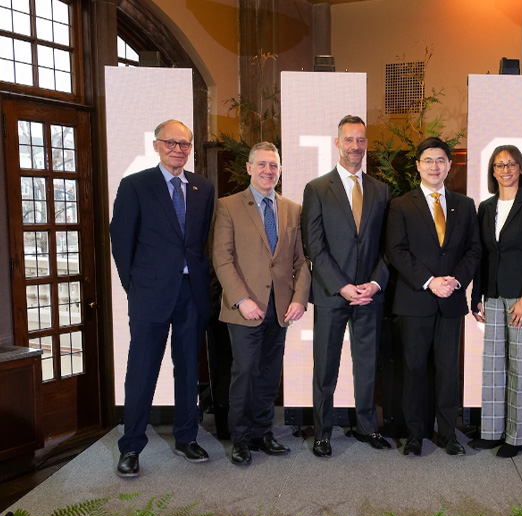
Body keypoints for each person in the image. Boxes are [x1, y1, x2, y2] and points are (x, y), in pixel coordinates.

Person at [110, 119, 215, 478]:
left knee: (188, 369)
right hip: (150, 295)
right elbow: (122, 243)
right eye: (171, 143)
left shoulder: (204, 187)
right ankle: (131, 447)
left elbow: (204, 243)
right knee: (142, 371)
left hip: (190, 293)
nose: (178, 149)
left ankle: (187, 437)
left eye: (184, 144)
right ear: (156, 145)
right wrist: (135, 288)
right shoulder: (135, 186)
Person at [212, 141, 311, 466]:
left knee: (269, 374)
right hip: (245, 309)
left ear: (280, 170)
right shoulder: (228, 206)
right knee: (245, 373)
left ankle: (262, 431)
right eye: (263, 164)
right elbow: (222, 258)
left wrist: (299, 299)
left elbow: (301, 261)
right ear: (249, 168)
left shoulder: (292, 208)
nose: (269, 170)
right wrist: (241, 300)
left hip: (280, 308)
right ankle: (240, 438)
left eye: (274, 165)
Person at [301, 115, 392, 457]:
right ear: (337, 143)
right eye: (349, 140)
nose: (356, 146)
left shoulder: (382, 190)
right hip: (330, 294)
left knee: (366, 364)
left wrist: (375, 284)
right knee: (325, 366)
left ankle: (367, 427)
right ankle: (322, 433)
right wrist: (341, 286)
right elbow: (314, 245)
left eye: (361, 140)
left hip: (369, 296)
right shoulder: (317, 189)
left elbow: (388, 246)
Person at [386, 137, 481, 456]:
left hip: (451, 300)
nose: (434, 166)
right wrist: (430, 281)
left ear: (450, 165)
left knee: (447, 370)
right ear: (417, 165)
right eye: (428, 160)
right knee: (413, 369)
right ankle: (415, 434)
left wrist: (455, 281)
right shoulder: (400, 205)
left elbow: (474, 249)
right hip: (415, 299)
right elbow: (396, 251)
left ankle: (448, 433)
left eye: (440, 160)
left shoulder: (465, 205)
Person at [470, 145, 522, 458]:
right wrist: (476, 296)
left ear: (520, 169)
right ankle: (491, 431)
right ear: (493, 171)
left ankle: (518, 436)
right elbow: (483, 255)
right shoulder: (486, 207)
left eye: (511, 164)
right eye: (499, 164)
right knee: (493, 366)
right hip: (492, 294)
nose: (505, 169)